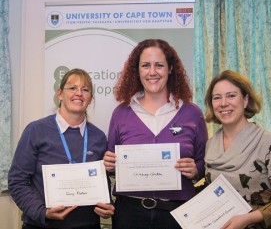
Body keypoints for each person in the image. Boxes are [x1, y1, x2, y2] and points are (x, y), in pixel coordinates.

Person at [103, 39, 208, 229]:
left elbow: (204, 162)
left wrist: (195, 170)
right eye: (145, 65)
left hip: (177, 214)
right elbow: (111, 163)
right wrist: (109, 164)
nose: (152, 72)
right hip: (129, 214)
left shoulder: (192, 113)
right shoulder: (121, 113)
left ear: (170, 69)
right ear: (137, 70)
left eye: (159, 65)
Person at [8, 68, 115, 229]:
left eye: (85, 90)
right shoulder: (36, 130)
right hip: (42, 225)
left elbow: (101, 182)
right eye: (72, 88)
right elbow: (17, 181)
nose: (79, 93)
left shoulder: (98, 137)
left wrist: (107, 205)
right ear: (59, 94)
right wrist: (41, 212)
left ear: (90, 99)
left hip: (87, 225)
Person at [204, 70, 271, 229]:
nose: (223, 103)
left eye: (231, 95)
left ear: (245, 100)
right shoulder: (210, 144)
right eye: (217, 97)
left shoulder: (269, 142)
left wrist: (248, 219)